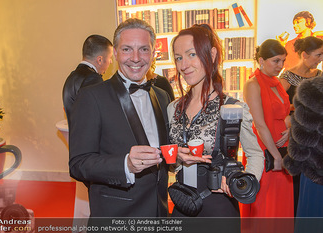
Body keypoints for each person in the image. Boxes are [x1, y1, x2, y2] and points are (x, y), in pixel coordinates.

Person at [68, 18, 171, 217]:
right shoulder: (91, 97)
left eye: (143, 49)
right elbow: (78, 163)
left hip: (159, 211)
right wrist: (125, 165)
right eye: (126, 49)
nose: (136, 58)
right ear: (115, 53)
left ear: (152, 53)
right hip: (117, 214)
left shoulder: (161, 96)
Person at [167, 24, 264, 218]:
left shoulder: (232, 108)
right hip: (182, 205)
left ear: (211, 54)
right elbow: (171, 162)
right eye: (178, 58)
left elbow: (255, 154)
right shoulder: (173, 108)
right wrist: (175, 159)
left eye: (191, 54)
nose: (183, 65)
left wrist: (240, 185)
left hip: (218, 208)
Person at [243, 39, 293, 218]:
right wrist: (276, 156)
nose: (281, 65)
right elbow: (259, 124)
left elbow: (285, 115)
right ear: (262, 60)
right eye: (276, 61)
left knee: (281, 205)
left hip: (283, 149)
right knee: (265, 205)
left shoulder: (277, 83)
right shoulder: (253, 84)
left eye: (283, 61)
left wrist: (291, 128)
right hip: (265, 152)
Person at [283, 75, 323, 218]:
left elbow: (300, 133)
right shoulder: (310, 90)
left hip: (314, 171)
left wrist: (295, 161)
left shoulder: (310, 89)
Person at [62, 34, 113, 120]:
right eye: (110, 58)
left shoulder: (71, 77)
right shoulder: (93, 79)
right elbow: (99, 117)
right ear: (99, 60)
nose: (111, 62)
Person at [280, 36, 323, 109]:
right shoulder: (287, 77)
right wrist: (295, 107)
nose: (321, 59)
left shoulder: (319, 75)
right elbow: (276, 105)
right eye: (318, 55)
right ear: (304, 55)